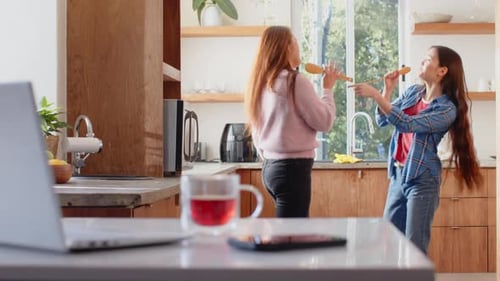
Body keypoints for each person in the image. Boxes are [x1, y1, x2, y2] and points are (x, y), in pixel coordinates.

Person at [351, 45, 483, 254]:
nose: (422, 61)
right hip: (399, 175)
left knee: (414, 246)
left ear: (442, 71)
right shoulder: (414, 92)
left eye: (428, 58)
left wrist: (376, 95)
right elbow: (383, 119)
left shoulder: (446, 109)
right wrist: (387, 89)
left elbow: (407, 123)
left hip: (422, 180)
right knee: (389, 241)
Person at [245, 26, 342, 218]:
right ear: (287, 48)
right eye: (296, 43)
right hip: (292, 170)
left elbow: (257, 132)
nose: (299, 48)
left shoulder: (261, 83)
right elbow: (324, 122)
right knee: (292, 237)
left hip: (271, 168)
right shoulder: (294, 81)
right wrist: (328, 89)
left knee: (288, 233)